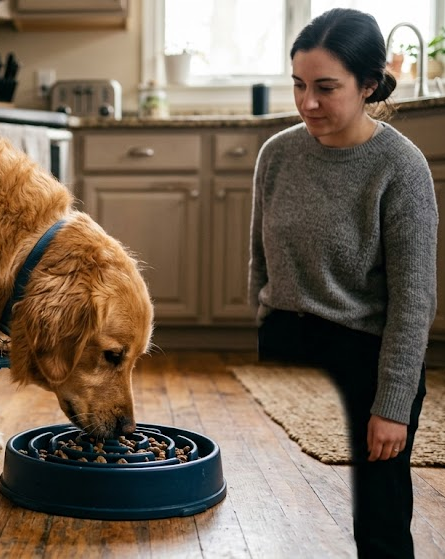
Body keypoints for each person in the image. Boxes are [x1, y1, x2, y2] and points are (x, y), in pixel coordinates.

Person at [248, 8, 436, 558]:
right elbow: (259, 262)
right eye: (299, 86)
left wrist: (393, 405)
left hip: (365, 350)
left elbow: (413, 300)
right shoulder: (276, 154)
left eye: (326, 88)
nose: (307, 103)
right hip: (284, 335)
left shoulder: (401, 168)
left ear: (369, 84)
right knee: (263, 499)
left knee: (379, 521)